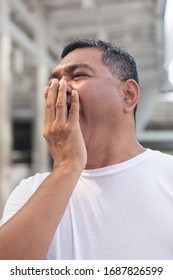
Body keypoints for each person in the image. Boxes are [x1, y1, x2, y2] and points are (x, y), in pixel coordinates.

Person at [0, 38, 173, 260]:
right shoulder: (31, 191)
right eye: (54, 81)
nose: (58, 88)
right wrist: (66, 168)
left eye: (78, 75)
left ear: (128, 95)